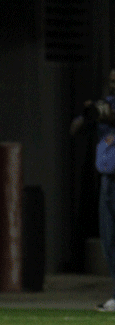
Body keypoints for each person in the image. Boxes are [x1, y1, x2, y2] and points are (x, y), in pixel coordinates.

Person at [71, 68, 115, 312]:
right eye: (110, 81)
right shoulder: (105, 106)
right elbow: (74, 130)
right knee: (109, 240)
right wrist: (88, 115)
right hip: (108, 180)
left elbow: (111, 119)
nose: (112, 86)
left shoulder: (108, 111)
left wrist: (105, 116)